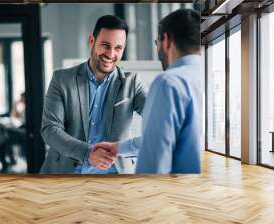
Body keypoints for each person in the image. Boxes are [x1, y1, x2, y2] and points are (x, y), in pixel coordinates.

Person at [93, 9, 202, 174]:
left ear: (165, 40)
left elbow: (155, 157)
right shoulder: (208, 75)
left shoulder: (168, 82)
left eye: (156, 42)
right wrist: (118, 148)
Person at [40, 15, 146, 174]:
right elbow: (50, 130)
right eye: (105, 45)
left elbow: (160, 122)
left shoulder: (132, 83)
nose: (111, 54)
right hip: (66, 174)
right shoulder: (61, 80)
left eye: (118, 48)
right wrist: (87, 153)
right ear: (91, 41)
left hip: (115, 178)